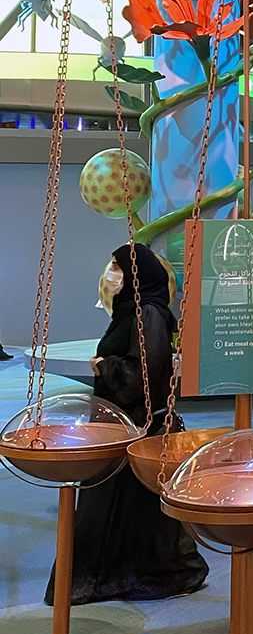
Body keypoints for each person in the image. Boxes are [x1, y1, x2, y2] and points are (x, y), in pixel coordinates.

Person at [45, 243, 208, 606]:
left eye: (118, 267)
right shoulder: (133, 310)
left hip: (136, 427)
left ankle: (122, 576)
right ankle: (113, 574)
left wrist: (105, 366)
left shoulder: (148, 313)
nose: (112, 274)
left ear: (137, 274)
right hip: (123, 424)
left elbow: (144, 372)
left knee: (120, 506)